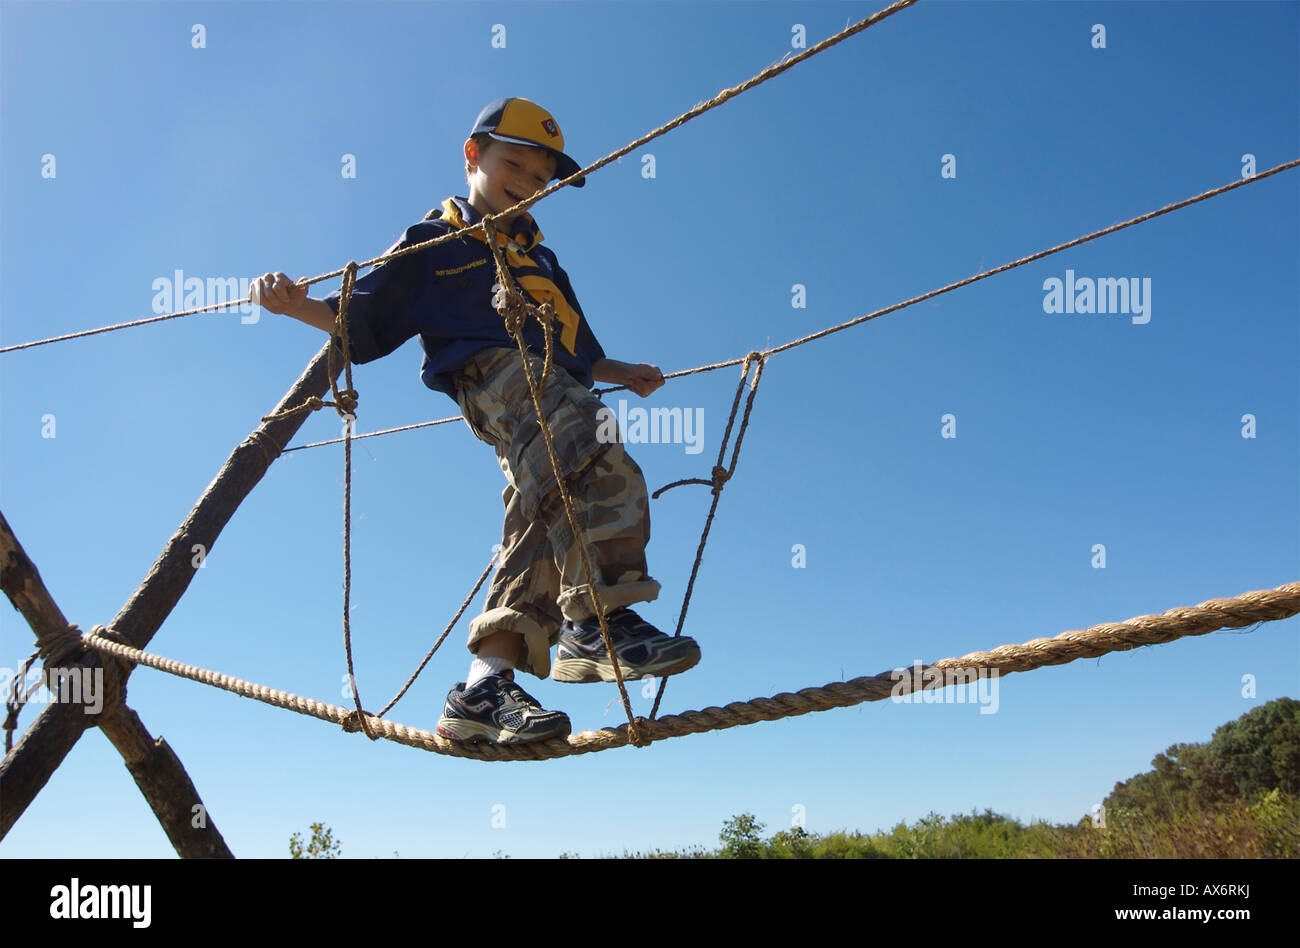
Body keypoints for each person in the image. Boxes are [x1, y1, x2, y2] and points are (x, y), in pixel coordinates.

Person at [251, 97, 699, 745]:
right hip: (493, 374)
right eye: (513, 163)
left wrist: (622, 371)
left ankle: (483, 689)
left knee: (540, 516)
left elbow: (578, 348)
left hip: (555, 386)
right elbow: (361, 318)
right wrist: (294, 306)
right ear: (473, 155)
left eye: (540, 177)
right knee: (592, 441)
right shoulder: (436, 241)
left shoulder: (543, 261)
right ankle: (600, 622)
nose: (527, 182)